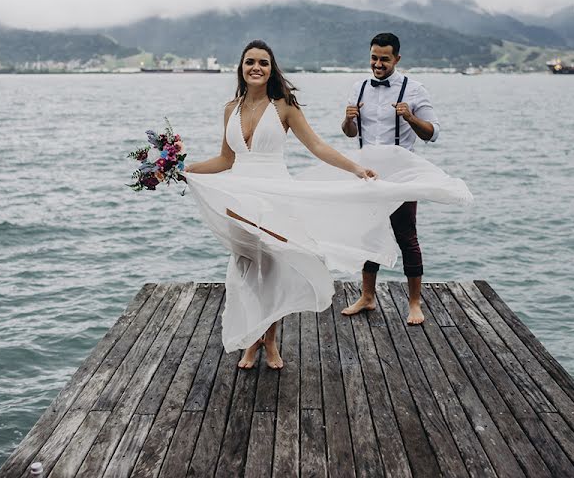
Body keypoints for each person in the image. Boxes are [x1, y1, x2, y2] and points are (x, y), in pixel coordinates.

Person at [184, 40, 471, 370]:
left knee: (275, 268)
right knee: (246, 270)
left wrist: (355, 168)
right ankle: (251, 341)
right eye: (250, 62)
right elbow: (225, 159)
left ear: (271, 68)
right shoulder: (229, 109)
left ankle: (272, 340)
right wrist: (187, 169)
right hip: (239, 197)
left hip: (276, 195)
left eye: (263, 63)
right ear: (241, 67)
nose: (256, 68)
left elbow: (318, 146)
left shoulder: (285, 106)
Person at [340, 32, 439, 325]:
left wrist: (410, 118)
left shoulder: (415, 90)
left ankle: (414, 303)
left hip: (402, 177)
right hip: (368, 176)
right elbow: (350, 133)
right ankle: (367, 297)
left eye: (384, 58)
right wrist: (347, 120)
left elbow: (433, 133)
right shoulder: (359, 88)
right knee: (369, 235)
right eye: (374, 57)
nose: (378, 63)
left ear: (397, 58)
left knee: (406, 236)